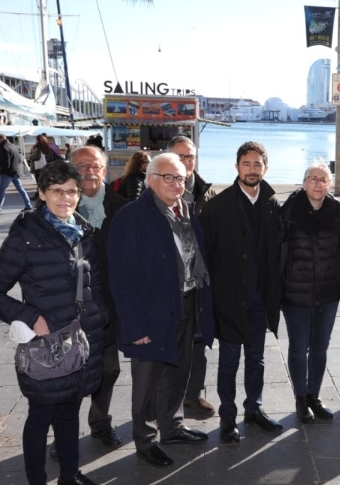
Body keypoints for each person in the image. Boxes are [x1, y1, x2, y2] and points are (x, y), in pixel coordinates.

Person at [0, 160, 106, 485]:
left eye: (72, 192)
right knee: (40, 417)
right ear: (43, 193)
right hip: (46, 347)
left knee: (69, 414)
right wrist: (30, 317)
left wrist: (100, 317)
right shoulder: (27, 234)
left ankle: (69, 474)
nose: (66, 198)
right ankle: (36, 479)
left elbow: (96, 285)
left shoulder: (83, 232)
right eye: (57, 191)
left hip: (80, 343)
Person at [108, 153, 214, 467]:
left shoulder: (187, 211)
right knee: (147, 382)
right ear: (151, 179)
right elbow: (121, 277)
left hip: (185, 304)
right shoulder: (131, 217)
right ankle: (145, 440)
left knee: (179, 371)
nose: (175, 183)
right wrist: (134, 326)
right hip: (150, 311)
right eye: (168, 177)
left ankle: (173, 426)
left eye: (180, 178)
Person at [199, 141, 283, 443]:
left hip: (260, 300)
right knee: (230, 360)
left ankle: (254, 410)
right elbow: (204, 255)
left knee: (257, 360)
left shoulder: (273, 205)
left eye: (257, 164)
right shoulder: (217, 207)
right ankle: (228, 416)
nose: (252, 169)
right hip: (229, 300)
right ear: (237, 168)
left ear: (265, 168)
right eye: (246, 164)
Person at [70, 146, 128, 450]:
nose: (88, 171)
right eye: (81, 166)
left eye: (94, 165)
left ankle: (101, 422)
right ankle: (65, 432)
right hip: (72, 310)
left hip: (110, 307)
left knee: (109, 370)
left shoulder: (124, 208)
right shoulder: (59, 208)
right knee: (69, 374)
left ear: (104, 171)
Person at [278, 161, 340, 423]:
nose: (318, 184)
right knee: (298, 347)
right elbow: (278, 249)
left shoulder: (338, 211)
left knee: (320, 347)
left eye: (323, 180)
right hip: (296, 293)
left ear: (329, 185)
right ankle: (300, 398)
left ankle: (313, 396)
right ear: (304, 183)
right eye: (313, 179)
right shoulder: (289, 210)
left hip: (328, 292)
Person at [165, 136, 217, 416]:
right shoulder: (157, 194)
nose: (186, 162)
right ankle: (164, 407)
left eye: (191, 157)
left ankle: (193, 395)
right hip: (168, 286)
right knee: (168, 347)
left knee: (199, 344)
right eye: (180, 157)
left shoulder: (208, 194)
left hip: (199, 285)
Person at [0, 134, 33, 214]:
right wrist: (15, 168)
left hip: (7, 173)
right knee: (20, 189)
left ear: (0, 139)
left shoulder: (3, 148)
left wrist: (0, 171)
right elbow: (18, 158)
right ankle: (28, 205)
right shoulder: (13, 146)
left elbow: (6, 163)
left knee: (1, 189)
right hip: (14, 171)